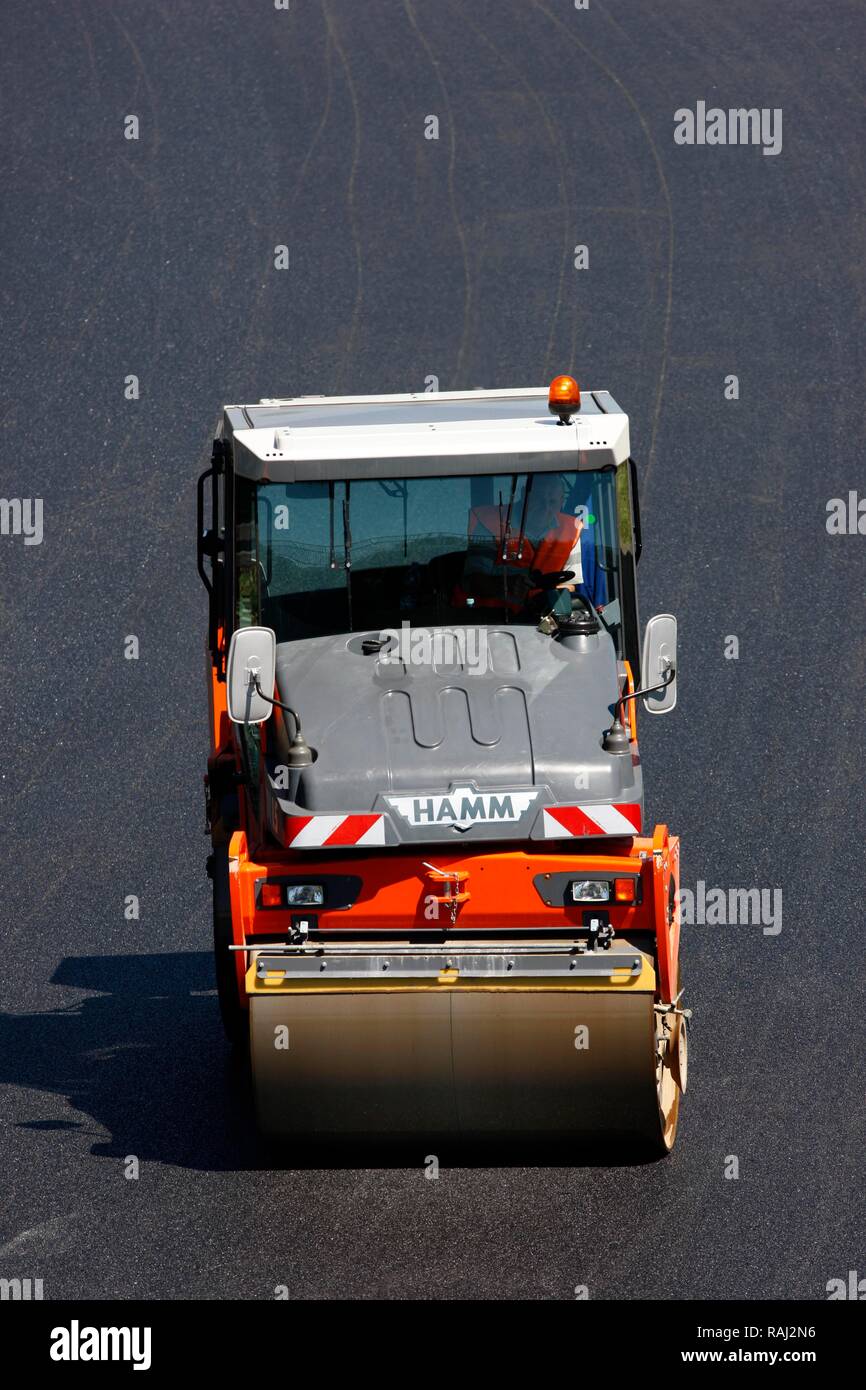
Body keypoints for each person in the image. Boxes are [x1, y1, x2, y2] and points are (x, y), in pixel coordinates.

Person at [458, 473, 605, 616]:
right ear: (524, 495)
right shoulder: (489, 523)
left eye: (552, 502)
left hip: (542, 623)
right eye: (539, 499)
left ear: (561, 502)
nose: (545, 508)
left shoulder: (571, 530)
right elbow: (472, 581)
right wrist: (505, 585)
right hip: (487, 621)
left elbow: (571, 584)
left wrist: (548, 595)